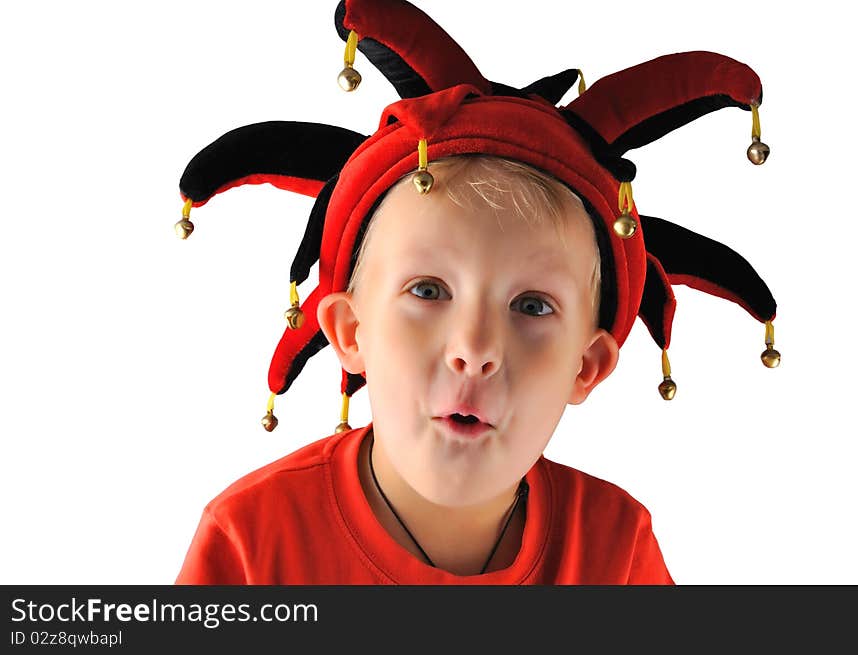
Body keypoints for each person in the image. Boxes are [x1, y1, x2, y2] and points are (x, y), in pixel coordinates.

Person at [173, 0, 778, 584]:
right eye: (429, 290)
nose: (475, 348)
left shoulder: (616, 550)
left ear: (585, 366)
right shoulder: (250, 542)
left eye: (533, 306)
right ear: (352, 334)